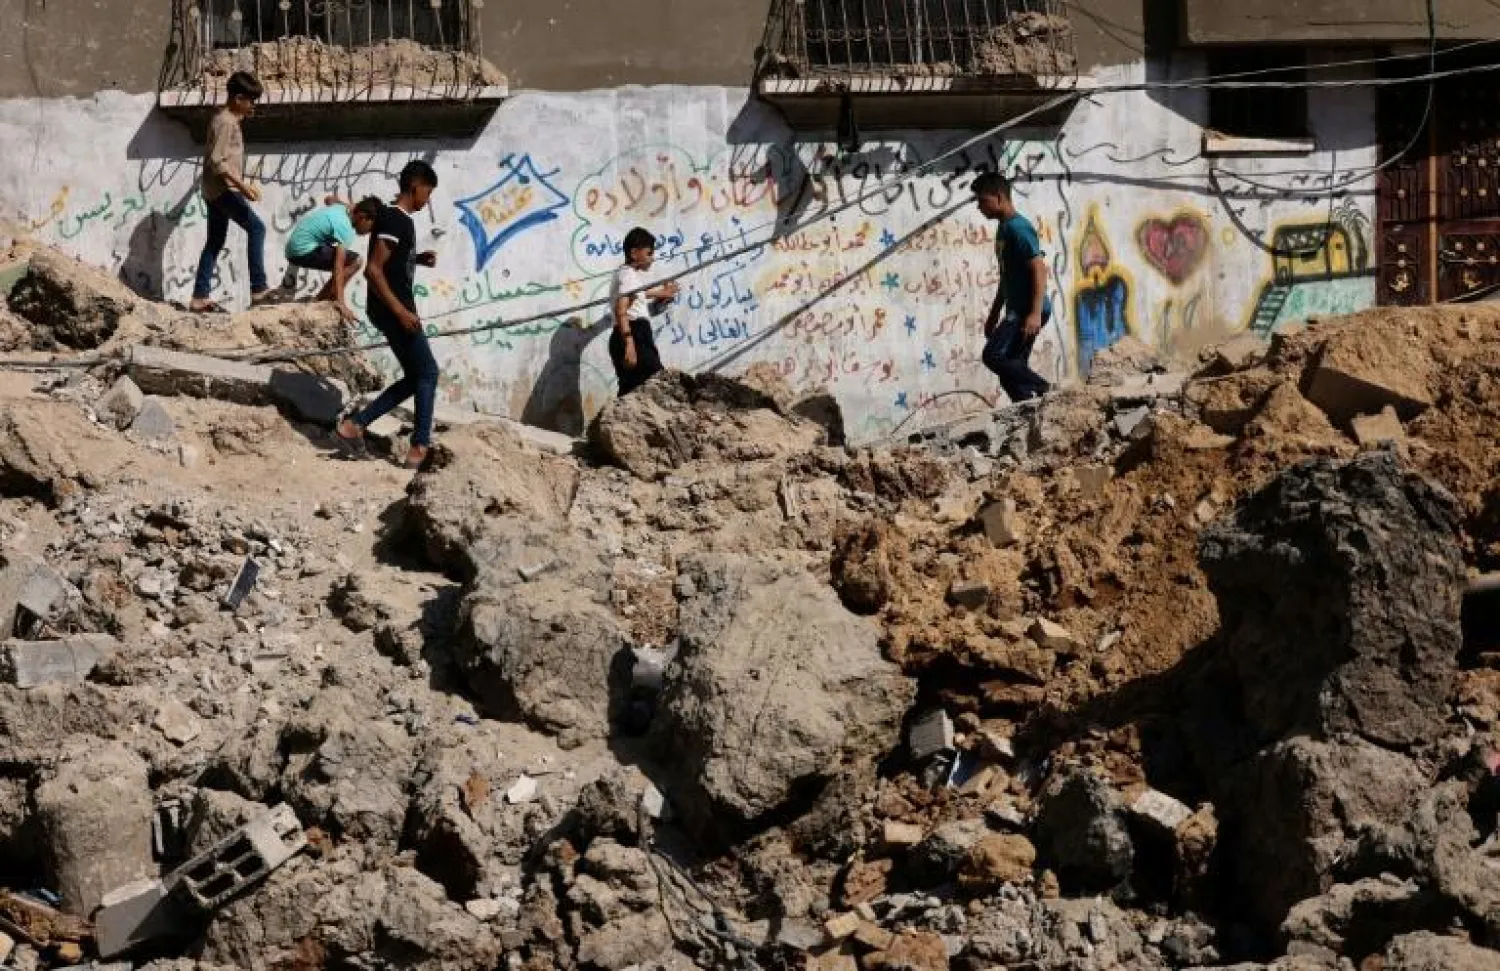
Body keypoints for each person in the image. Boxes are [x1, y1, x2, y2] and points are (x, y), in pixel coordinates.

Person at [334, 161, 440, 470]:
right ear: (416, 187)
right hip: (394, 310)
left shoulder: (398, 221)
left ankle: (355, 425)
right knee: (428, 374)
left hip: (393, 309)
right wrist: (401, 311)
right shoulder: (396, 219)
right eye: (428, 193)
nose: (427, 200)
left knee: (416, 378)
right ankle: (419, 446)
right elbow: (373, 270)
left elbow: (391, 262)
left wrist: (417, 259)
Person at [191, 71, 281, 313]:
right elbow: (217, 161)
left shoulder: (226, 120)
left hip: (214, 190)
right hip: (224, 190)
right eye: (250, 101)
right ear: (238, 98)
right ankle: (259, 289)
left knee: (215, 241)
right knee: (257, 228)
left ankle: (199, 297)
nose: (252, 106)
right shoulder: (226, 122)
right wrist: (243, 187)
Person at [973, 172, 1052, 403]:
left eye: (982, 201)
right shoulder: (1004, 228)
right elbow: (1006, 276)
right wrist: (994, 313)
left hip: (1026, 311)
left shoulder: (1018, 228)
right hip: (1017, 309)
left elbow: (1038, 268)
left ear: (998, 197)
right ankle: (1031, 413)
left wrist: (1034, 313)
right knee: (1011, 373)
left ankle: (1045, 387)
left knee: (993, 356)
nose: (979, 207)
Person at [285, 196, 381, 322]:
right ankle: (320, 302)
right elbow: (338, 266)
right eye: (370, 227)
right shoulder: (345, 228)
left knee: (344, 255)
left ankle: (322, 300)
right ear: (362, 217)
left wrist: (346, 204)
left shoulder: (341, 208)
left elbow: (329, 199)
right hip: (302, 251)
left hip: (294, 247)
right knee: (356, 261)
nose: (368, 232)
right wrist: (341, 302)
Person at [609, 228, 679, 396]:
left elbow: (637, 294)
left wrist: (661, 293)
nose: (652, 258)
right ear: (634, 253)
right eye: (649, 253)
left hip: (624, 336)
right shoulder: (628, 275)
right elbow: (621, 308)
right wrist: (630, 343)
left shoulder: (624, 274)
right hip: (634, 335)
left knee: (630, 389)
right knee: (659, 381)